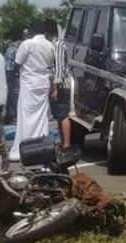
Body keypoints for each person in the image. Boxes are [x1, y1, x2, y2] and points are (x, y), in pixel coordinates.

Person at [9, 20, 56, 162]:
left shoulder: (27, 44)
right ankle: (41, 149)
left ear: (32, 31)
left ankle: (24, 149)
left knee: (26, 117)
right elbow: (51, 65)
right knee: (41, 117)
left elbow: (17, 63)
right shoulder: (50, 45)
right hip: (43, 84)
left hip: (29, 84)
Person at [49, 20, 73, 155]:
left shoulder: (58, 45)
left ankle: (67, 144)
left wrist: (55, 87)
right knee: (59, 114)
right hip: (61, 84)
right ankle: (63, 141)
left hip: (61, 85)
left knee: (63, 115)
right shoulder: (60, 44)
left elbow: (59, 67)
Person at [4, 31, 22, 125]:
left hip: (7, 74)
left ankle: (9, 116)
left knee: (9, 95)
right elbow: (17, 64)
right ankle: (13, 116)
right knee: (14, 96)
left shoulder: (9, 49)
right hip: (12, 74)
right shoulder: (15, 50)